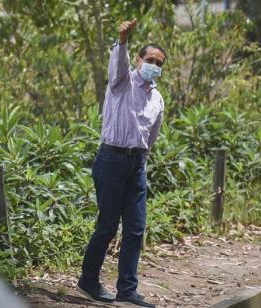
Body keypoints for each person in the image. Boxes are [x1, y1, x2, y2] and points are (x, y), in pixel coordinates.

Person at [77, 18, 165, 308]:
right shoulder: (121, 82)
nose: (154, 65)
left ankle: (127, 289)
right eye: (150, 59)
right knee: (107, 225)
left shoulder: (157, 99)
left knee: (136, 228)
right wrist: (123, 41)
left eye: (159, 62)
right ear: (139, 60)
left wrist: (140, 161)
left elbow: (151, 137)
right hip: (111, 160)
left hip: (136, 165)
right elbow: (117, 65)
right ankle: (88, 281)